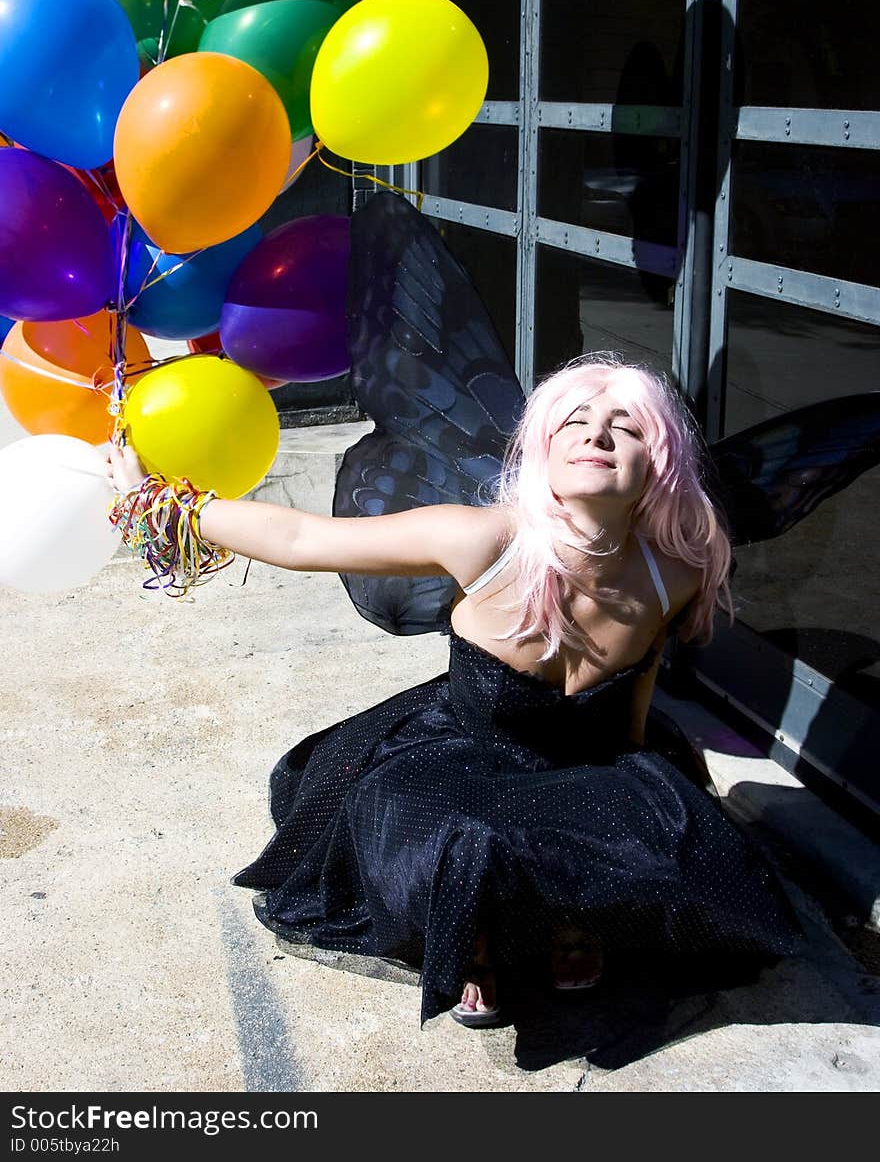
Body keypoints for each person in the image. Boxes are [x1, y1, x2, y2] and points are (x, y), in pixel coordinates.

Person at [105, 353, 803, 1031]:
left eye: (626, 426)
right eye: (575, 421)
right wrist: (158, 502)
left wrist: (638, 788)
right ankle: (472, 942)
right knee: (469, 839)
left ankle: (569, 915)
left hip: (581, 762)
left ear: (658, 461)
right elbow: (298, 535)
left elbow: (639, 689)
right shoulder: (485, 540)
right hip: (456, 755)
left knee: (667, 834)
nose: (597, 434)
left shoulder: (673, 573)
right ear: (543, 450)